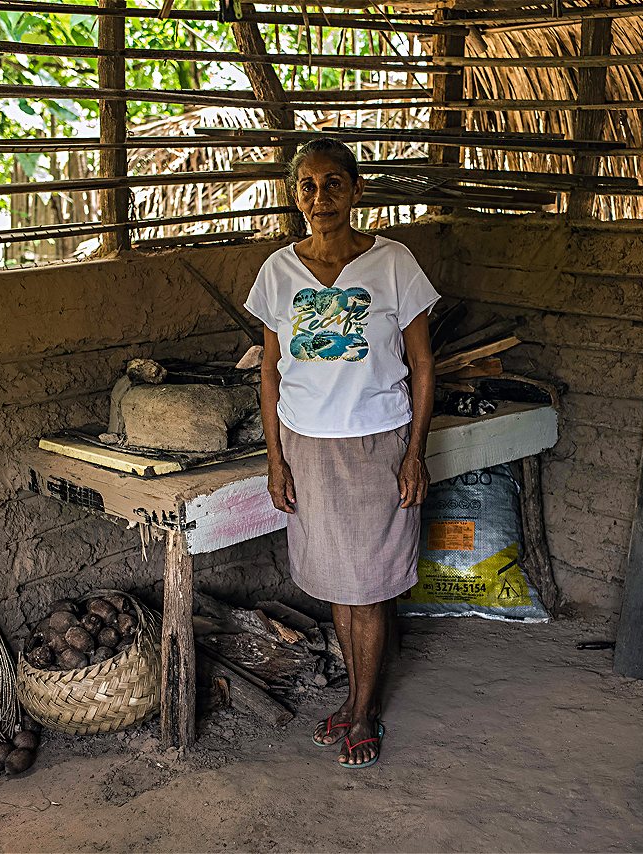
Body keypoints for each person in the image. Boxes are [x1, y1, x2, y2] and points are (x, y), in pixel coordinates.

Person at [243, 138, 440, 769]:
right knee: (336, 579)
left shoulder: (393, 263)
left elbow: (423, 363)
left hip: (378, 439)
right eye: (307, 185)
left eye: (333, 184)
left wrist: (414, 454)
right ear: (294, 195)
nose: (320, 197)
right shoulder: (278, 272)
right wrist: (277, 460)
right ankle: (357, 702)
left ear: (356, 191)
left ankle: (362, 711)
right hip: (308, 443)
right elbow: (271, 373)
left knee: (369, 584)